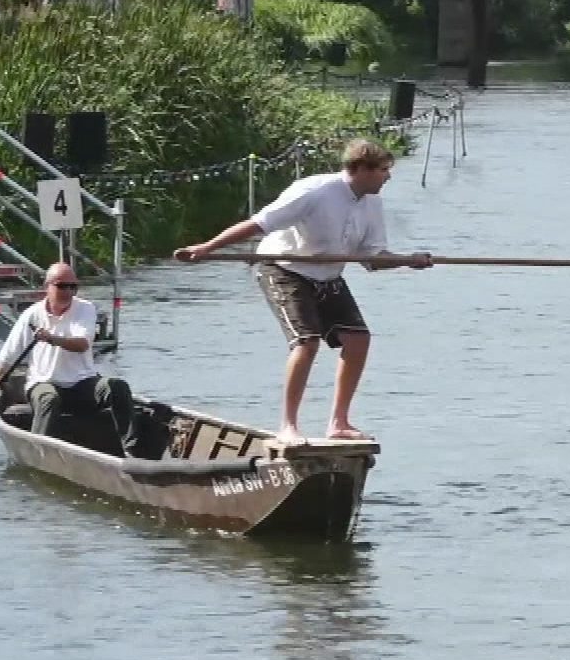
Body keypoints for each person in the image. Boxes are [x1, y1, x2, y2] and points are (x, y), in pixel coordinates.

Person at [173, 139, 433, 444]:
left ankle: (339, 423)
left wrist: (408, 261)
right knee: (307, 342)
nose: (388, 176)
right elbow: (259, 224)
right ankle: (288, 426)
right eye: (384, 169)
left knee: (358, 339)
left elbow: (371, 260)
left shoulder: (373, 203)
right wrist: (206, 248)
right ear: (361, 168)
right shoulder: (314, 191)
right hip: (284, 269)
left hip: (327, 275)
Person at [0, 263, 135, 453]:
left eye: (73, 287)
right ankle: (37, 454)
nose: (68, 292)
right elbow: (7, 359)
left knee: (117, 388)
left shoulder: (85, 309)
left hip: (82, 383)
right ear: (47, 287)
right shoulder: (31, 316)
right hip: (44, 382)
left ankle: (132, 450)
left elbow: (82, 344)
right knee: (49, 398)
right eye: (62, 286)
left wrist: (52, 339)